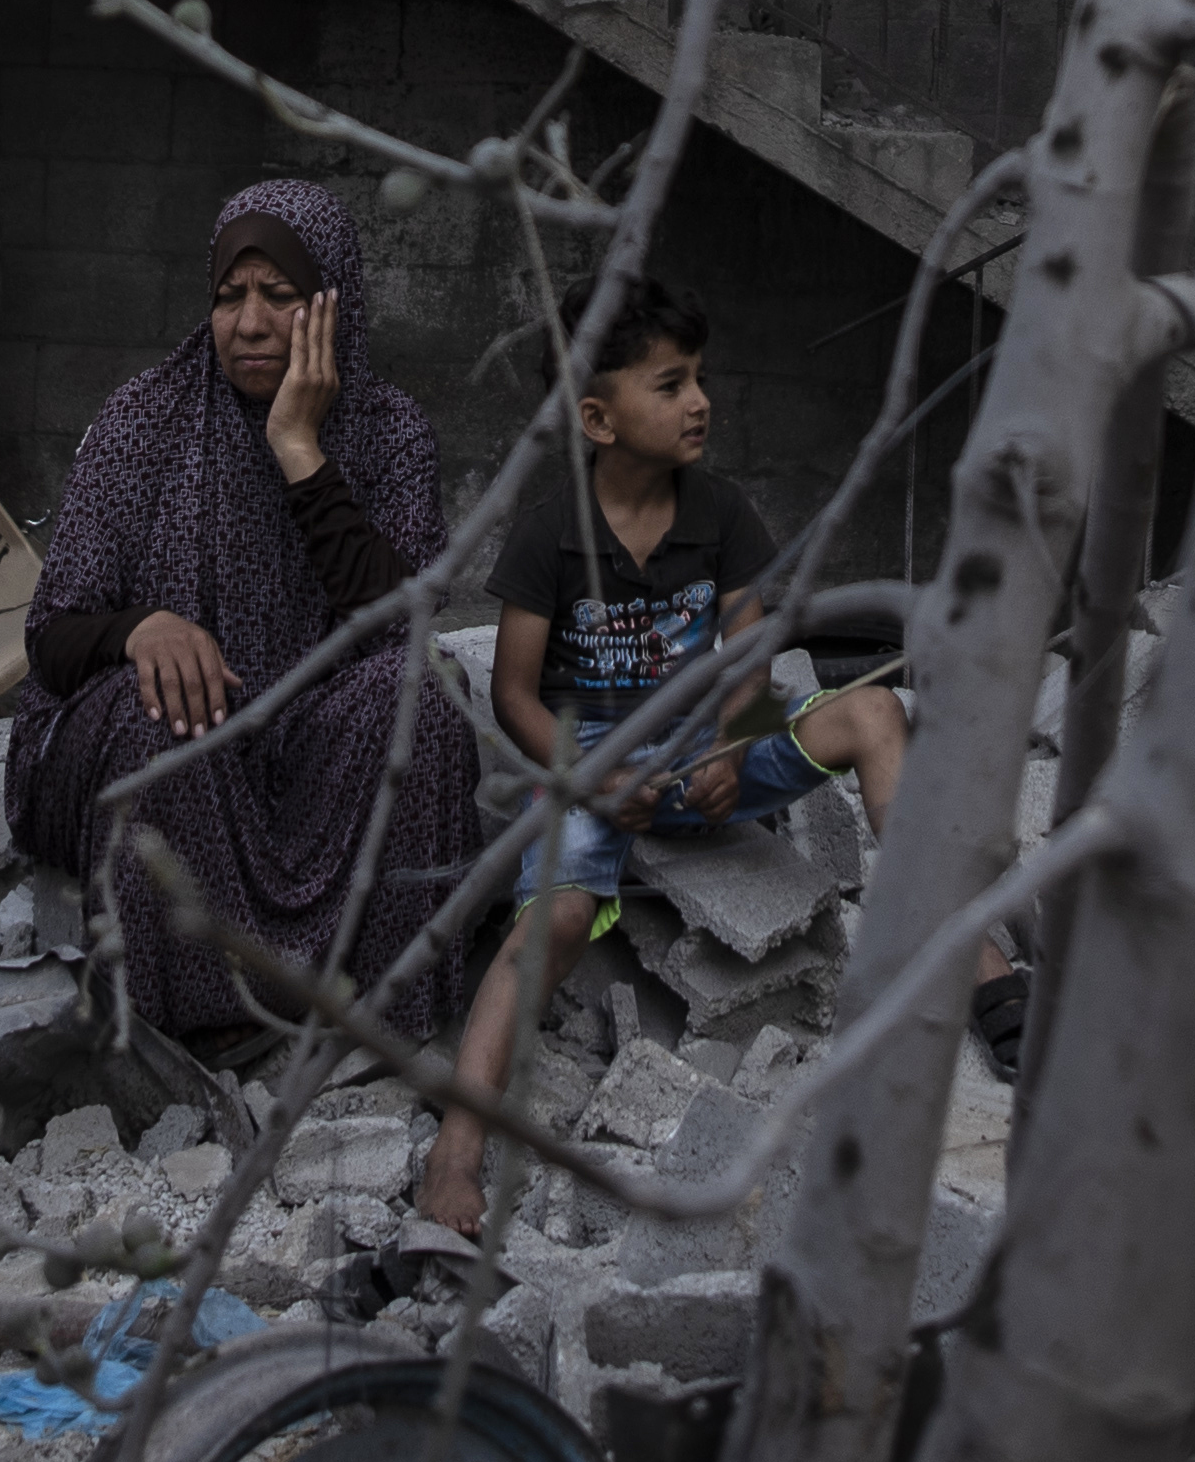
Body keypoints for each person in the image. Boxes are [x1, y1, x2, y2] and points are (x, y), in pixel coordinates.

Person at [413, 278, 1015, 1239]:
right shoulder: (549, 535)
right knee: (554, 921)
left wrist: (736, 748)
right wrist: (588, 780)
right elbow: (515, 694)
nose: (699, 401)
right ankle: (455, 1154)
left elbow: (750, 658)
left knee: (868, 714)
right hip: (596, 771)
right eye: (670, 385)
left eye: (699, 379)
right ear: (597, 418)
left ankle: (973, 959)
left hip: (707, 755)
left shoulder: (721, 514)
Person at [8, 179, 481, 1048]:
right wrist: (138, 629)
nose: (251, 323)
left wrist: (300, 449)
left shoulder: (389, 433)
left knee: (424, 691)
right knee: (161, 711)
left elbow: (394, 627)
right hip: (176, 744)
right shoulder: (143, 421)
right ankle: (182, 1029)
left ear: (332, 304)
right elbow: (52, 638)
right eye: (230, 297)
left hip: (305, 746)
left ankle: (374, 1009)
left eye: (282, 296)